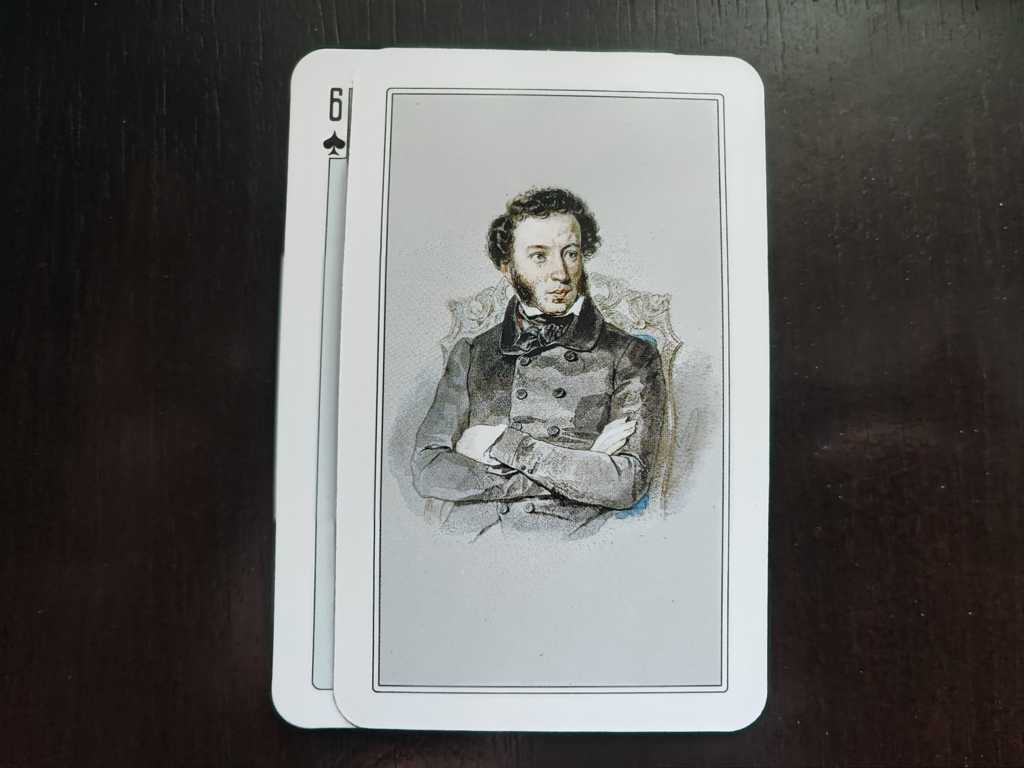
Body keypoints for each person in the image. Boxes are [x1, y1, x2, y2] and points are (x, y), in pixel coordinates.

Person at [411, 188, 666, 539]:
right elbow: (428, 469)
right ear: (507, 268)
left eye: (571, 253)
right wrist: (581, 469)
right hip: (468, 540)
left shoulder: (632, 355)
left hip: (572, 542)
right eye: (539, 256)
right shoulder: (472, 352)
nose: (560, 273)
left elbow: (625, 483)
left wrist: (503, 443)